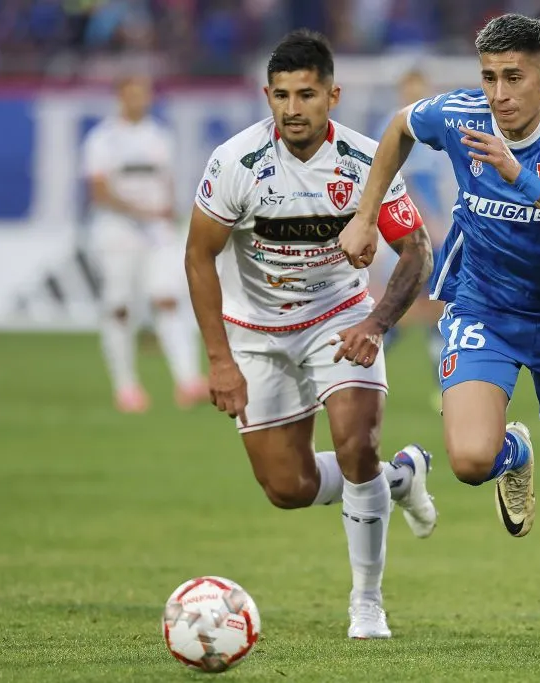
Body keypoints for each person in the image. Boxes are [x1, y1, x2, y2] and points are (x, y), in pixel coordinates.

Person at [339, 14, 540, 647]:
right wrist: (365, 217)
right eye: (490, 77)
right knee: (471, 460)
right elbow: (397, 128)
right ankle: (513, 452)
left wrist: (519, 178)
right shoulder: (461, 114)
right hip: (484, 309)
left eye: (514, 78)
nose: (500, 94)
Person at [184, 29, 437, 640]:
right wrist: (219, 361)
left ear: (333, 96)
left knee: (356, 445)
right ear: (266, 97)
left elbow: (416, 251)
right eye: (281, 96)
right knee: (287, 488)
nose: (292, 109)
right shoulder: (235, 162)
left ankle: (367, 605)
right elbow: (199, 257)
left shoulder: (362, 163)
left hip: (339, 320)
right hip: (257, 332)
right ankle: (400, 476)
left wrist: (376, 324)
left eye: (306, 95)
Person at [82, 75, 209, 413]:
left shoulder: (159, 136)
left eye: (144, 94)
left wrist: (167, 215)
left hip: (156, 233)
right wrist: (142, 210)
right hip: (117, 232)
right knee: (121, 307)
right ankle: (126, 386)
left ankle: (188, 380)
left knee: (168, 299)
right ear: (120, 97)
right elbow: (99, 191)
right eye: (133, 94)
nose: (140, 100)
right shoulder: (102, 140)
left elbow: (166, 182)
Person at [369, 68, 449, 402]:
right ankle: (362, 367)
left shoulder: (435, 127)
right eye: (411, 91)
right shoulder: (396, 125)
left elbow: (436, 183)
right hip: (409, 228)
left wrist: (443, 218)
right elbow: (402, 181)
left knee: (438, 305)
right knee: (409, 306)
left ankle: (443, 385)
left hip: (433, 228)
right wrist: (427, 222)